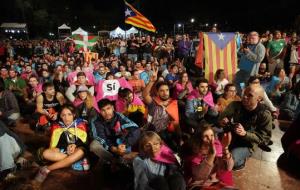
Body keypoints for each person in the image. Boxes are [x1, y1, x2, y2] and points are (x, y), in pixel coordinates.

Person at [218, 85, 272, 170]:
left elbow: (265, 139)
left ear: (259, 99)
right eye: (244, 94)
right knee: (214, 153)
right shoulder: (235, 105)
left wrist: (245, 134)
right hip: (232, 136)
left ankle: (241, 162)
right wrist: (222, 122)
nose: (244, 97)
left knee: (230, 164)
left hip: (248, 144)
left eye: (250, 95)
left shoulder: (264, 114)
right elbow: (221, 119)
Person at [34, 105, 89, 183]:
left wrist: (75, 145)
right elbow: (57, 144)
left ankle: (47, 169)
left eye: (69, 114)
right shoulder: (57, 126)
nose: (66, 118)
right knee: (46, 153)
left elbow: (85, 141)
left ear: (74, 115)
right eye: (63, 115)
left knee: (80, 152)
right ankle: (73, 162)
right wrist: (67, 147)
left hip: (79, 149)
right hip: (65, 151)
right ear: (60, 116)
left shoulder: (80, 124)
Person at [89, 99, 141, 164]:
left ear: (113, 108)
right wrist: (112, 148)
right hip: (107, 146)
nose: (107, 112)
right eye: (103, 110)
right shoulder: (95, 120)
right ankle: (114, 160)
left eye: (108, 108)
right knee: (94, 145)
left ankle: (122, 159)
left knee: (136, 133)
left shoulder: (119, 116)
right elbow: (100, 137)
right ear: (100, 111)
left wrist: (124, 145)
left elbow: (134, 127)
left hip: (121, 143)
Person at [182, 125, 234, 189]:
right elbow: (199, 176)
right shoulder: (193, 151)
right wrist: (211, 155)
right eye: (206, 136)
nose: (210, 139)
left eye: (212, 135)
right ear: (199, 138)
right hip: (198, 185)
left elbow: (228, 168)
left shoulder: (217, 145)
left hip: (214, 181)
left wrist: (225, 148)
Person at [142, 67, 180, 151]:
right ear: (157, 93)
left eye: (167, 90)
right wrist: (152, 81)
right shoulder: (153, 102)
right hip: (152, 132)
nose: (165, 93)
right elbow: (145, 95)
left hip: (167, 132)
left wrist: (180, 138)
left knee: (175, 147)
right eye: (162, 91)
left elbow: (176, 123)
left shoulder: (173, 103)